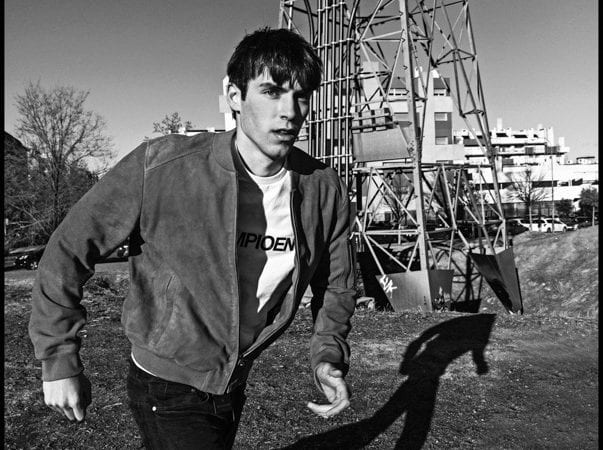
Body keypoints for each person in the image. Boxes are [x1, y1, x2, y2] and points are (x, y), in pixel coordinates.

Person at [28, 27, 356, 449]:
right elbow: (68, 250)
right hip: (166, 384)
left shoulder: (323, 189)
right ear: (235, 96)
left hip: (233, 380)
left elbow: (337, 284)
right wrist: (58, 359)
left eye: (301, 96)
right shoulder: (163, 166)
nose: (289, 112)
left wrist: (328, 357)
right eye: (271, 92)